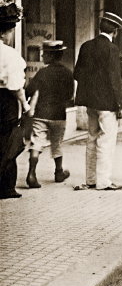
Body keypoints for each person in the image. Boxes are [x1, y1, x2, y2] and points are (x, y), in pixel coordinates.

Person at [73, 12, 122, 191]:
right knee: (106, 141)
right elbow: (115, 79)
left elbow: (77, 74)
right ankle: (103, 181)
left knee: (91, 138)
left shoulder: (86, 46)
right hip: (107, 104)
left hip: (90, 102)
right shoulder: (112, 49)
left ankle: (90, 179)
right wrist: (121, 104)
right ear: (115, 31)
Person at [25, 41, 74, 188]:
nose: (42, 56)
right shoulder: (67, 73)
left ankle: (32, 174)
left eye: (45, 53)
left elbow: (29, 90)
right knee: (56, 145)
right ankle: (59, 172)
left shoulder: (42, 72)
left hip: (41, 113)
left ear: (52, 55)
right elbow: (70, 96)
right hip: (59, 115)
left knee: (36, 143)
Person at [0, 1, 30, 199]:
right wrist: (26, 105)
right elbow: (16, 86)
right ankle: (6, 188)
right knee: (8, 144)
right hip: (5, 102)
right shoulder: (9, 54)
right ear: (5, 33)